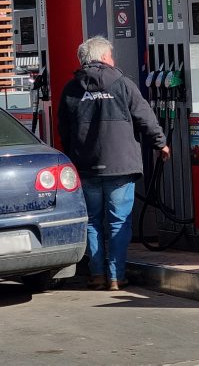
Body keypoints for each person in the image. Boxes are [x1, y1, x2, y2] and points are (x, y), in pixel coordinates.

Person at [57, 36, 170, 291]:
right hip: (120, 165)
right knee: (118, 222)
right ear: (103, 57)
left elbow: (64, 129)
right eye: (110, 55)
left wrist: (75, 154)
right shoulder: (122, 84)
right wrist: (160, 143)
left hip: (86, 166)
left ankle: (97, 274)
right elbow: (144, 116)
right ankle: (116, 276)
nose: (113, 59)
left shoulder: (71, 89)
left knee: (92, 221)